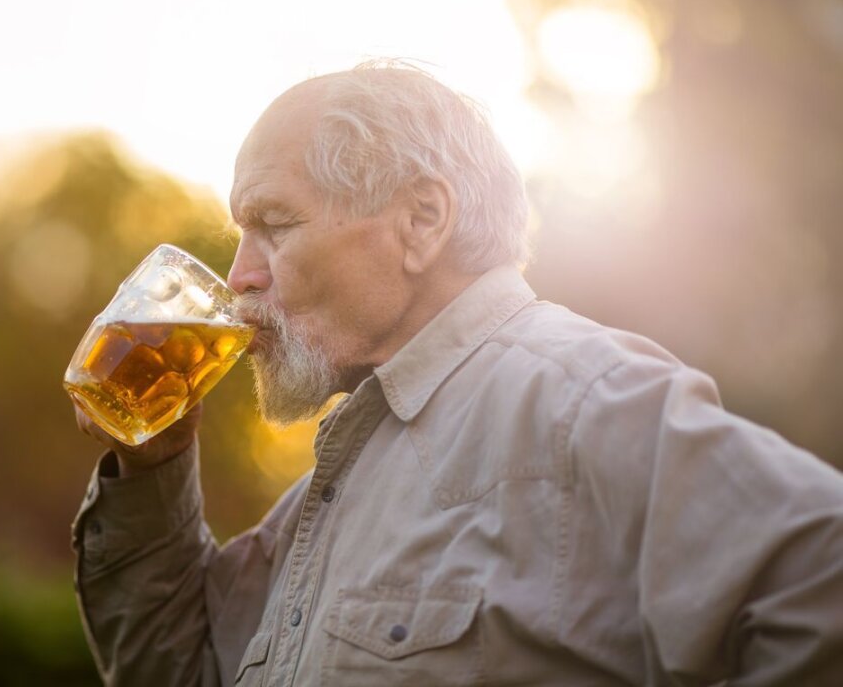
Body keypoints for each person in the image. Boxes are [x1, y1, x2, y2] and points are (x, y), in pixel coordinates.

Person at [70, 64, 843, 686]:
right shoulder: (339, 479)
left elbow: (823, 578)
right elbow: (176, 669)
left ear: (421, 222)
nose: (239, 277)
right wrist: (154, 463)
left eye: (274, 224)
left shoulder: (577, 397)